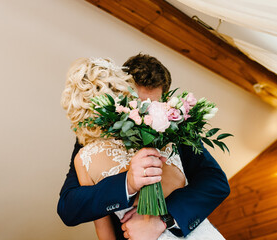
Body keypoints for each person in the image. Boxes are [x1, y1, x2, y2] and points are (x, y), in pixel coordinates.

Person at [58, 54, 230, 239]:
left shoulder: (177, 126)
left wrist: (164, 219)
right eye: (138, 104)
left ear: (165, 101)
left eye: (152, 106)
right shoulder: (93, 138)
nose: (144, 114)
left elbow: (216, 182)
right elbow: (69, 207)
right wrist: (127, 184)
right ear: (122, 92)